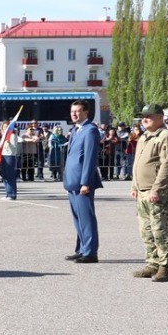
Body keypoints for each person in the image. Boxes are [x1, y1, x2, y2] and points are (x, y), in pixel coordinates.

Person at [130, 104, 168, 282]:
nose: (145, 119)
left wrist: (156, 188)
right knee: (146, 230)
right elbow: (137, 163)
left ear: (160, 117)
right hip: (143, 191)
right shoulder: (144, 137)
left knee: (160, 230)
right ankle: (152, 263)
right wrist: (135, 185)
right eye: (143, 116)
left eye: (149, 116)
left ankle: (165, 267)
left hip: (158, 192)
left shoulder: (165, 136)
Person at [63, 99, 103, 263]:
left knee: (86, 218)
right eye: (72, 111)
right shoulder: (76, 130)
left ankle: (90, 252)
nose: (74, 114)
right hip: (72, 180)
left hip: (82, 182)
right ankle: (82, 248)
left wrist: (86, 182)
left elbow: (89, 158)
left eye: (77, 111)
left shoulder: (90, 130)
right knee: (78, 218)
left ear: (86, 112)